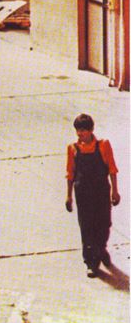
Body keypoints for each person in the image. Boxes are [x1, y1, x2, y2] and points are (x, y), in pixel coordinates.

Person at [65, 113, 120, 278]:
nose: (80, 134)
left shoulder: (103, 145)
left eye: (83, 130)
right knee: (87, 227)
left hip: (101, 192)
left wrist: (115, 191)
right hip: (83, 193)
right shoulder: (73, 149)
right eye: (78, 130)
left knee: (104, 224)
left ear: (91, 130)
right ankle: (91, 262)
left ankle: (101, 249)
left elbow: (112, 169)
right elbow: (70, 174)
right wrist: (69, 196)